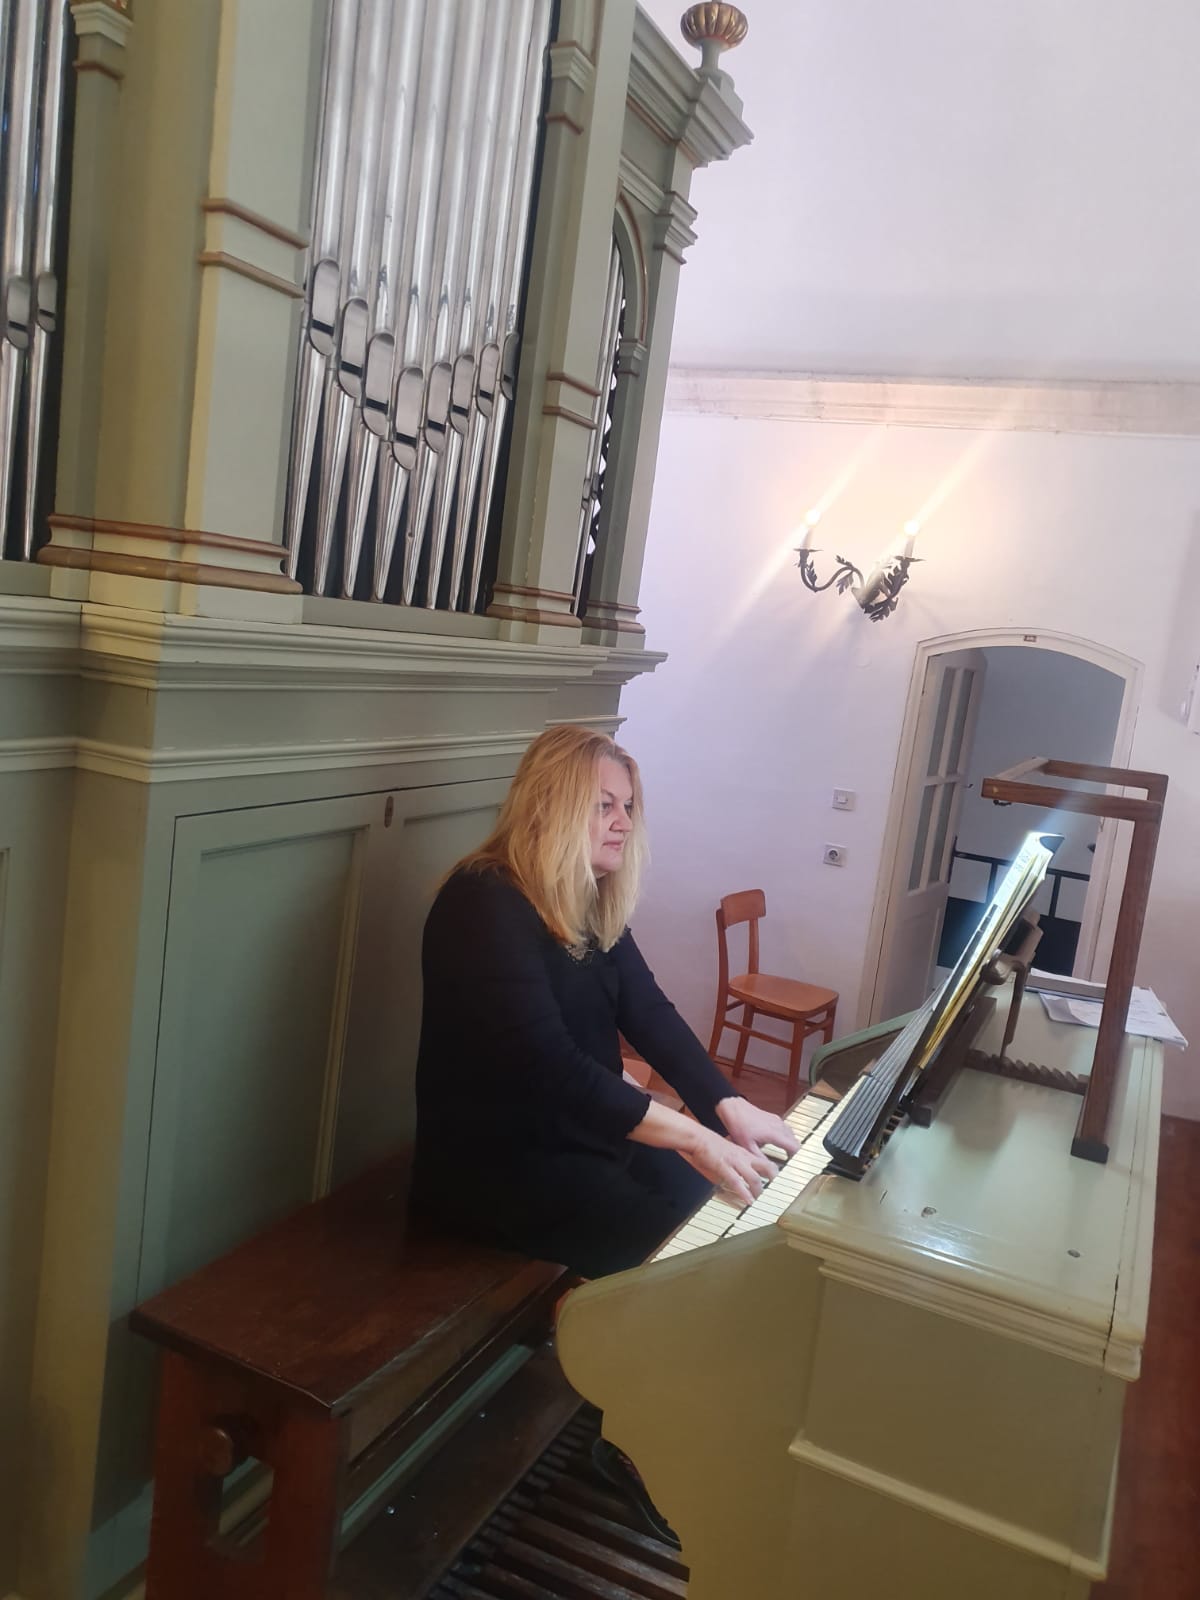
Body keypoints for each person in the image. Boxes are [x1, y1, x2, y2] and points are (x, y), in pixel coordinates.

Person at [412, 723, 800, 1279]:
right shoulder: (482, 902)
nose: (625, 822)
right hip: (504, 1169)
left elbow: (648, 1012)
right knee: (699, 1262)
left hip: (583, 1136)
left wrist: (727, 1105)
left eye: (629, 806)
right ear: (550, 807)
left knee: (725, 1212)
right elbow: (553, 1071)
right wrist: (696, 1137)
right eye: (605, 805)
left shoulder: (586, 897)